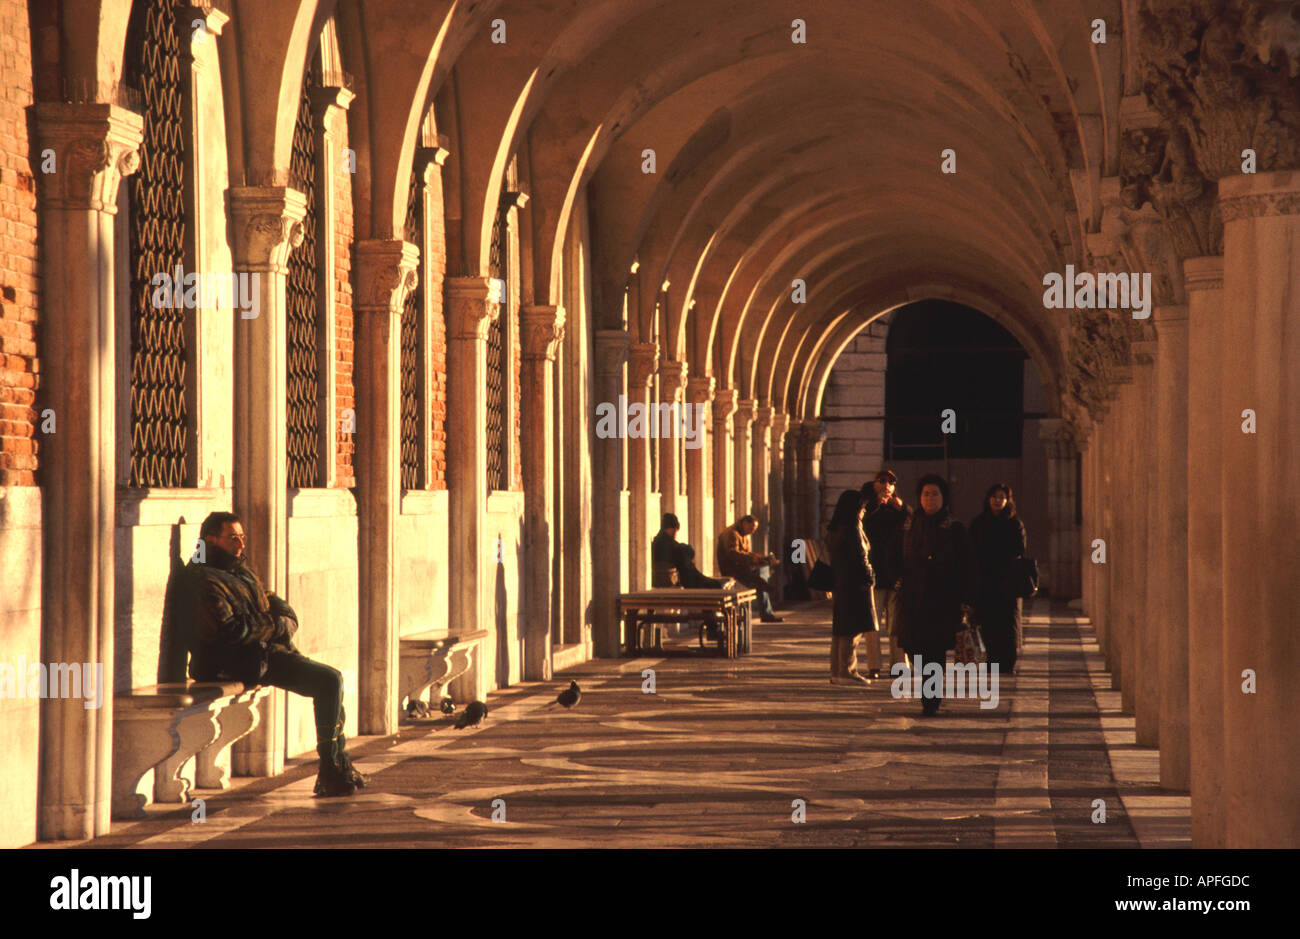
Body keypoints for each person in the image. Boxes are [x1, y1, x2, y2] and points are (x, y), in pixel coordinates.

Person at [180, 511, 367, 797]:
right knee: (329, 681)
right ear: (210, 540)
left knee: (333, 683)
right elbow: (234, 631)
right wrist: (278, 625)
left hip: (265, 653)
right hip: (237, 661)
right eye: (233, 538)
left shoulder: (238, 570)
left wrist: (275, 621)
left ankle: (337, 764)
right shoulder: (204, 579)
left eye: (242, 537)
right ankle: (331, 767)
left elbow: (275, 603)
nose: (240, 544)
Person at [888, 474, 973, 715]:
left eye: (935, 494)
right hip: (912, 600)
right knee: (913, 649)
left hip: (941, 601)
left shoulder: (954, 528)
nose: (930, 498)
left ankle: (931, 700)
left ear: (943, 498)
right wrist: (899, 580)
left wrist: (965, 599)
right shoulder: (908, 525)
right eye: (925, 494)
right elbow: (890, 557)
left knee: (934, 652)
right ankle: (929, 689)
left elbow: (966, 565)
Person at [969, 482, 1027, 674]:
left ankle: (1007, 662)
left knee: (1008, 623)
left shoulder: (1014, 523)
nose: (997, 500)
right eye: (994, 496)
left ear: (1007, 500)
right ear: (988, 499)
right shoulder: (979, 523)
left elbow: (1019, 548)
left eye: (1002, 497)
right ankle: (993, 661)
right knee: (988, 623)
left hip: (1007, 582)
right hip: (986, 582)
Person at [825, 489, 877, 686]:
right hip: (855, 585)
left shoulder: (835, 528)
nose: (863, 511)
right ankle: (847, 670)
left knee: (841, 628)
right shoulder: (853, 528)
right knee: (853, 630)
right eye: (862, 507)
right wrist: (870, 577)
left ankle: (837, 670)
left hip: (841, 583)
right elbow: (861, 557)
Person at [861, 469, 911, 674]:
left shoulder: (898, 510)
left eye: (890, 483)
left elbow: (913, 525)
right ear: (873, 485)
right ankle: (873, 665)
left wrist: (904, 508)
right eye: (881, 482)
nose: (886, 486)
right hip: (874, 573)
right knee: (872, 625)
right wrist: (875, 503)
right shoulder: (866, 506)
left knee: (897, 624)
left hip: (896, 573)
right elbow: (860, 523)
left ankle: (899, 664)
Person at [717, 515, 782, 622]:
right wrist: (752, 559)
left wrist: (759, 558)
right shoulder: (732, 533)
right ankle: (766, 610)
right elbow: (733, 554)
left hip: (741, 568)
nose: (752, 532)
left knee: (763, 571)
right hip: (733, 570)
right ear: (744, 524)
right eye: (751, 528)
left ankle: (765, 587)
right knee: (761, 578)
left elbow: (746, 552)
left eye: (754, 530)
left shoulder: (742, 534)